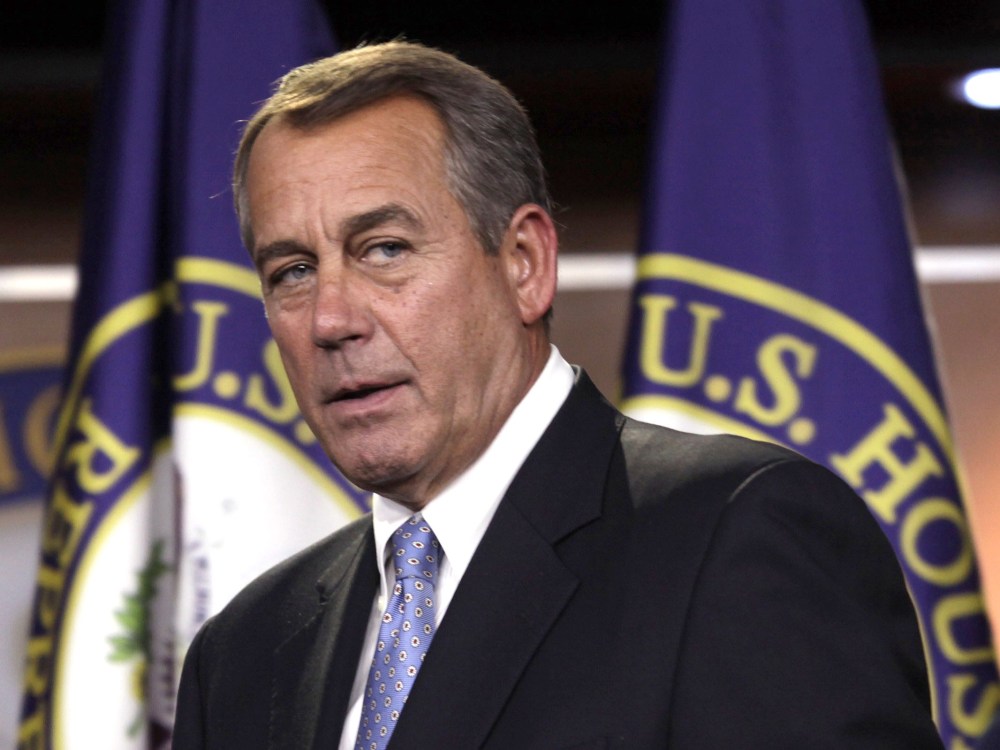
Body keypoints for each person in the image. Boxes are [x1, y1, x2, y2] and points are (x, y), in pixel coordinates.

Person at [173, 40, 943, 749]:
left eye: (384, 249)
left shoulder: (736, 535)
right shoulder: (243, 652)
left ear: (524, 264)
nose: (331, 320)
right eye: (292, 272)